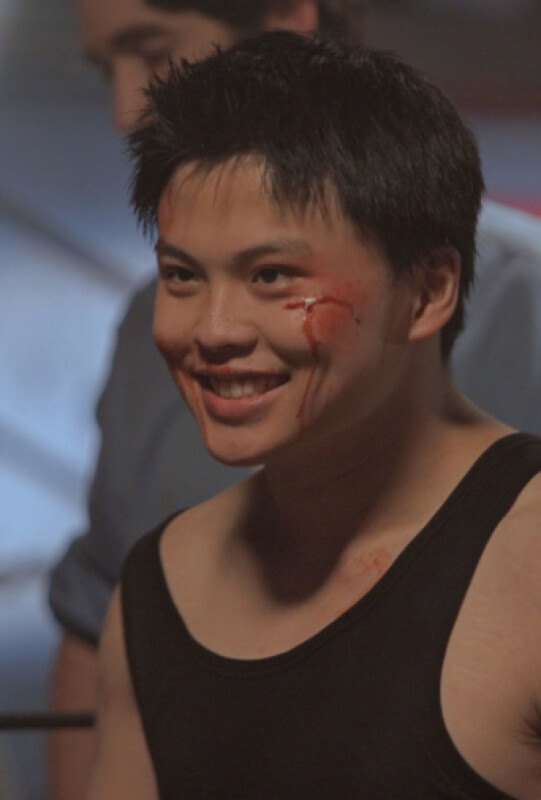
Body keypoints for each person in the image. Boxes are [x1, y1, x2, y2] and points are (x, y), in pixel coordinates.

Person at [48, 1, 541, 796]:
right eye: (182, 275)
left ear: (426, 291)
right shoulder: (157, 587)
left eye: (272, 276)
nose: (212, 330)